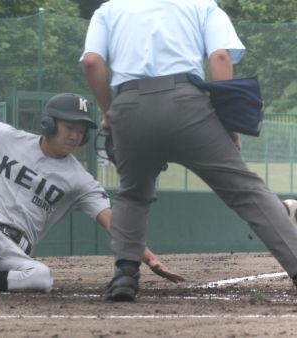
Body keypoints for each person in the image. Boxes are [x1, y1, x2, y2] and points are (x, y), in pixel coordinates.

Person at [82, 0, 297, 302]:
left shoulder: (109, 9)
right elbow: (220, 56)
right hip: (187, 106)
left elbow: (91, 62)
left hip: (129, 104)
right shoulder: (201, 4)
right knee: (247, 191)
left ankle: (125, 275)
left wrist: (109, 112)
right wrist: (227, 121)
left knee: (133, 193)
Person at [0, 92, 185, 293]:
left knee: (42, 277)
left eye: (81, 130)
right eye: (70, 127)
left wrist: (148, 257)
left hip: (11, 256)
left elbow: (111, 220)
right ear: (49, 123)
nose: (75, 136)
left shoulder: (79, 180)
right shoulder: (9, 139)